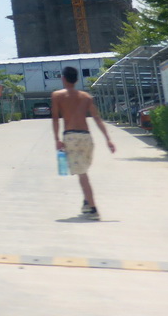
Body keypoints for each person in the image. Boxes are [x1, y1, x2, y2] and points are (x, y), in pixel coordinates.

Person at [51, 66, 115, 220]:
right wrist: (108, 139)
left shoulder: (57, 96)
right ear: (77, 79)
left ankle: (93, 208)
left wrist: (57, 139)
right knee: (83, 170)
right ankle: (87, 202)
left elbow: (55, 119)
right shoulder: (86, 97)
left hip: (71, 136)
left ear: (63, 79)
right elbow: (97, 118)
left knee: (82, 174)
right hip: (87, 137)